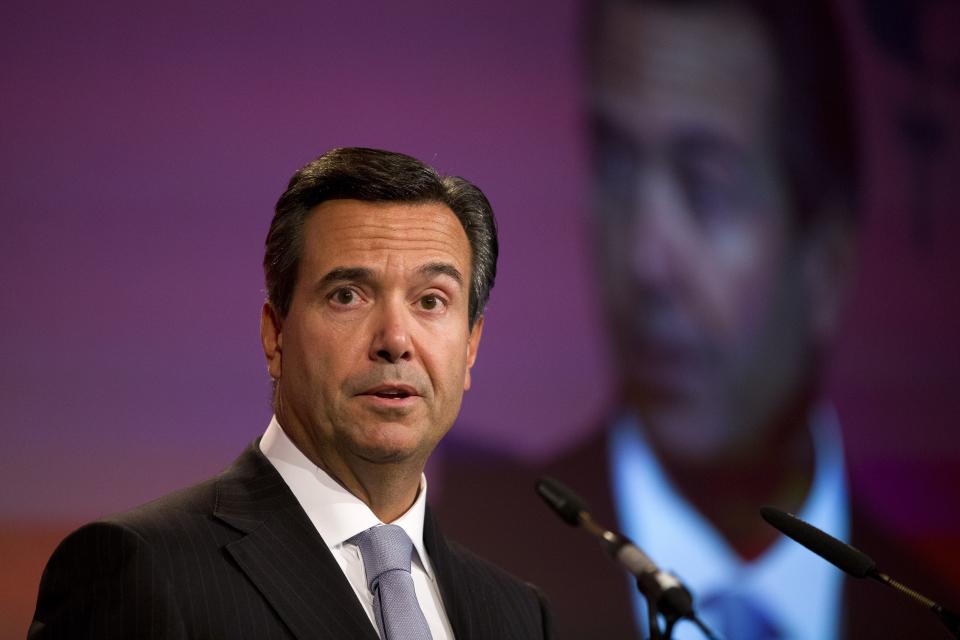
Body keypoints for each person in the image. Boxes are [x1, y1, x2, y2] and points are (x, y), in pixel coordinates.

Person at [434, 1, 953, 638]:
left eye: (706, 185)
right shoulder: (463, 576)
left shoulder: (926, 613)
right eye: (618, 168)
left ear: (826, 259)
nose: (646, 259)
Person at [29, 147, 552, 639]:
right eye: (347, 295)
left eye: (432, 301)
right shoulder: (142, 570)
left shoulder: (517, 615)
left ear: (470, 347)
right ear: (275, 335)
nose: (395, 340)